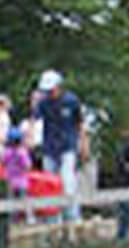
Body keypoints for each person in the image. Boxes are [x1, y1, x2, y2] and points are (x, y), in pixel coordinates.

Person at [30, 70, 88, 222]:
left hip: (67, 146)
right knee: (49, 185)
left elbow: (80, 123)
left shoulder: (72, 101)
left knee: (68, 181)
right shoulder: (43, 103)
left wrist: (83, 143)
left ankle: (73, 217)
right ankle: (53, 219)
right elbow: (34, 119)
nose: (50, 93)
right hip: (49, 147)